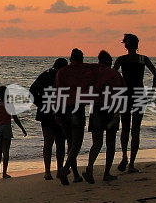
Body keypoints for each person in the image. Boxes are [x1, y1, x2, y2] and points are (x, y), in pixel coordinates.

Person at [114, 33, 156, 173]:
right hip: (139, 94)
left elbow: (112, 75)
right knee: (136, 130)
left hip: (126, 94)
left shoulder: (122, 59)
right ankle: (131, 163)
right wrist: (152, 91)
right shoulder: (143, 59)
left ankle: (124, 157)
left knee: (125, 128)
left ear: (127, 45)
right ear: (137, 45)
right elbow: (155, 74)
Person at [54, 48, 96, 185]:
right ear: (82, 58)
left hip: (63, 108)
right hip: (77, 108)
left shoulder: (62, 72)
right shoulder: (85, 70)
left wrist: (57, 112)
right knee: (76, 144)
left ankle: (73, 174)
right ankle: (65, 169)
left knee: (70, 143)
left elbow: (58, 92)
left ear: (71, 58)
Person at [83, 50, 125, 184]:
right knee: (110, 142)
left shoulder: (92, 72)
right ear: (109, 61)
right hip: (111, 109)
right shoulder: (115, 74)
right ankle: (106, 173)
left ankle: (90, 167)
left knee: (97, 142)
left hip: (96, 108)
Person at [29, 58, 68, 180]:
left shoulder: (45, 75)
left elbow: (32, 91)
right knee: (60, 142)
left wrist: (40, 104)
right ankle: (59, 168)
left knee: (48, 142)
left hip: (46, 112)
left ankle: (48, 171)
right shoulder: (62, 77)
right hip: (59, 112)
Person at [0, 85, 27, 179]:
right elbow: (15, 119)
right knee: (6, 151)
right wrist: (22, 129)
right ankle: (4, 173)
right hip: (6, 128)